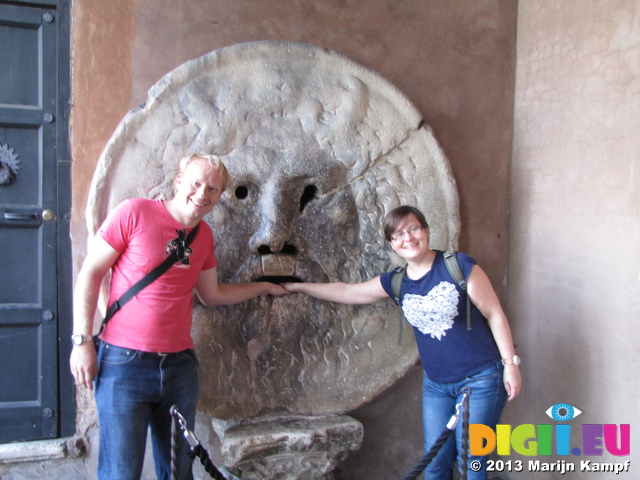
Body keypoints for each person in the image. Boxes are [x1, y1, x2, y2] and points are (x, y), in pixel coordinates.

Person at [70, 153, 289, 480]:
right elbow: (90, 273)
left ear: (219, 196)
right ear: (179, 181)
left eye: (213, 189)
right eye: (196, 183)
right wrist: (82, 341)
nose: (203, 194)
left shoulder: (204, 237)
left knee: (178, 471)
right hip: (123, 364)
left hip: (178, 367)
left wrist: (262, 288)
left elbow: (211, 294)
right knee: (120, 471)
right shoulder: (135, 212)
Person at [283, 205, 522, 479]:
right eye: (398, 235)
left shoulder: (459, 267)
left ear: (426, 231)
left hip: (480, 379)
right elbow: (349, 292)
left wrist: (510, 363)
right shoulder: (396, 282)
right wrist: (299, 286)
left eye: (413, 229)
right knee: (435, 464)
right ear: (391, 245)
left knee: (472, 462)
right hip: (437, 385)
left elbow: (494, 313)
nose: (407, 238)